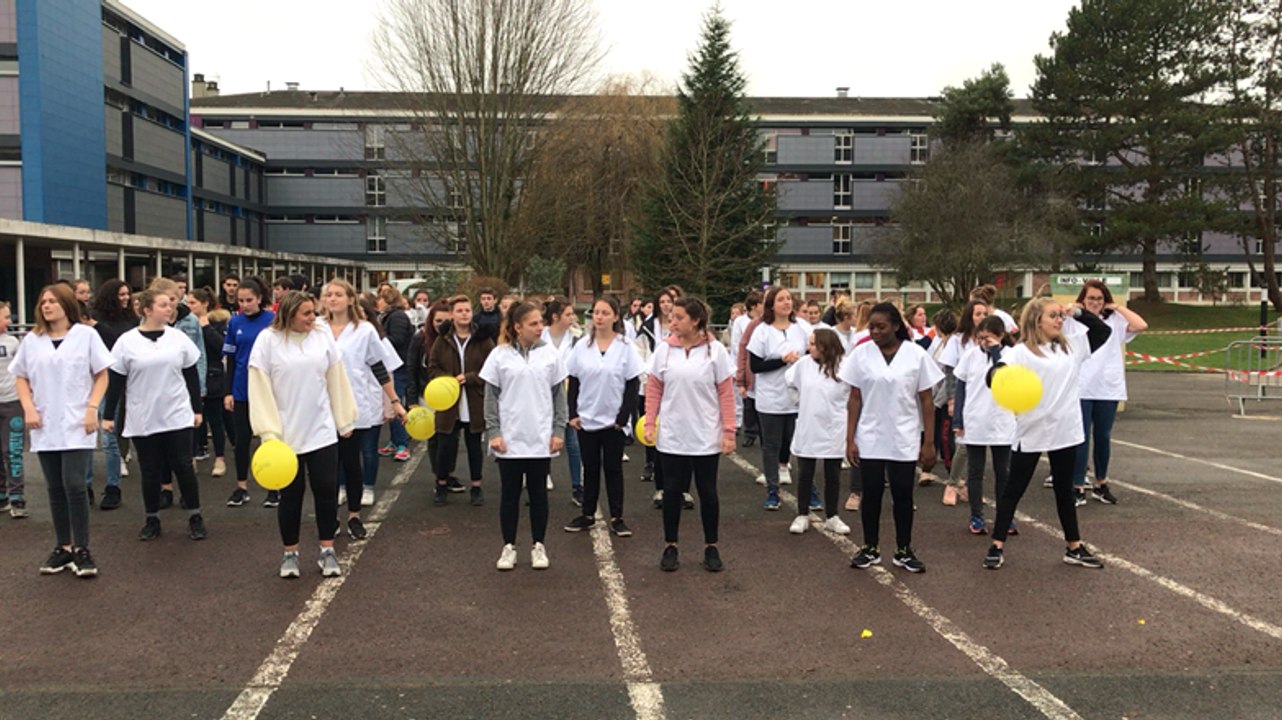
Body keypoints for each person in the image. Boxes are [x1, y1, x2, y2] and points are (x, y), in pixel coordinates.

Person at [983, 297, 1113, 571]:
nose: (1059, 320)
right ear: (1036, 320)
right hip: (1032, 429)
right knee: (1013, 489)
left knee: (1065, 490)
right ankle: (996, 545)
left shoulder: (1072, 347)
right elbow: (996, 373)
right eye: (1052, 315)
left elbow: (1103, 331)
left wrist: (1077, 312)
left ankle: (1074, 547)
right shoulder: (1020, 352)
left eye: (1060, 315)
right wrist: (998, 376)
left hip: (1065, 429)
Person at [249, 291, 359, 579]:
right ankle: (290, 553)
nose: (313, 318)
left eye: (314, 312)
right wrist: (268, 431)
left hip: (321, 430)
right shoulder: (267, 341)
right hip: (285, 436)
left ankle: (327, 550)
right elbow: (259, 386)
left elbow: (336, 377)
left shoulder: (322, 336)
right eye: (306, 313)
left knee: (326, 491)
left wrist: (344, 419)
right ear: (289, 314)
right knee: (291, 496)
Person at [11, 285, 113, 577]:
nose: (47, 305)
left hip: (78, 421)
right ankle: (63, 547)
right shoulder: (33, 340)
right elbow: (21, 377)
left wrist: (92, 407)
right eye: (43, 301)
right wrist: (28, 408)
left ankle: (82, 549)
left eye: (53, 301)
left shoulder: (86, 335)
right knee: (54, 487)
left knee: (74, 484)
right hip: (45, 422)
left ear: (67, 305)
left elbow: (102, 374)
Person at [843, 302, 943, 574]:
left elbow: (927, 400)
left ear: (896, 326)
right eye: (872, 327)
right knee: (871, 494)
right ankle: (870, 547)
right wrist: (850, 438)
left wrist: (929, 442)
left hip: (904, 434)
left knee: (902, 494)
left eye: (881, 327)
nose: (875, 332)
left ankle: (903, 550)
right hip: (870, 434)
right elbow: (854, 398)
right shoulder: (861, 354)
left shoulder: (915, 355)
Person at [101, 289, 207, 541]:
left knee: (183, 466)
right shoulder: (127, 342)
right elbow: (116, 381)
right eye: (163, 305)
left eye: (170, 304)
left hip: (176, 413)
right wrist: (108, 415)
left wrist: (197, 408)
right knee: (149, 470)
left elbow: (191, 374)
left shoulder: (178, 338)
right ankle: (152, 519)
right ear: (147, 310)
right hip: (143, 415)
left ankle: (195, 517)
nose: (169, 308)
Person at [645, 297, 734, 572]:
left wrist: (729, 431)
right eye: (671, 317)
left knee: (707, 491)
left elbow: (726, 393)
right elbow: (654, 388)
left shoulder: (715, 351)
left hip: (705, 434)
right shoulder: (664, 350)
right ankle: (670, 545)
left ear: (695, 321)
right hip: (673, 434)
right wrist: (650, 423)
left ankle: (711, 546)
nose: (672, 322)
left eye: (679, 317)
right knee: (672, 491)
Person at [481, 301, 568, 571]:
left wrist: (558, 430)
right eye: (533, 323)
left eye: (541, 322)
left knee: (539, 493)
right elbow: (490, 397)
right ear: (518, 327)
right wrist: (494, 432)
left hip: (540, 437)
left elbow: (559, 396)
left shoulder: (550, 355)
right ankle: (509, 546)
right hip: (510, 438)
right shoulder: (499, 355)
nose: (540, 327)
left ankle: (538, 545)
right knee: (509, 494)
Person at [319, 279, 406, 539]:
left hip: (354, 403)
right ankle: (331, 518)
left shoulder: (365, 330)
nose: (333, 299)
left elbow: (379, 366)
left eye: (338, 294)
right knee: (327, 466)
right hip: (322, 405)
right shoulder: (316, 328)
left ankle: (354, 516)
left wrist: (395, 401)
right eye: (329, 295)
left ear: (350, 299)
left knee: (351, 461)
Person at [564, 297, 643, 536]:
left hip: (613, 421)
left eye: (605, 313)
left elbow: (632, 383)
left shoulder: (626, 346)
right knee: (590, 468)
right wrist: (573, 413)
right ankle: (587, 514)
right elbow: (573, 380)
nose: (599, 317)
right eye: (596, 312)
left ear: (616, 316)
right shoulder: (582, 346)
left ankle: (617, 516)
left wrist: (623, 418)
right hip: (586, 418)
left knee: (613, 469)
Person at [1065, 280, 1147, 505]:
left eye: (1100, 299)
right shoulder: (1073, 321)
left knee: (1103, 437)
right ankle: (1078, 485)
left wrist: (1117, 307)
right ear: (1083, 299)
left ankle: (1100, 483)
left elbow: (1141, 325)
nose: (1095, 302)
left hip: (1107, 387)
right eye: (1091, 298)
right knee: (1081, 437)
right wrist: (1075, 308)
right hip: (1081, 387)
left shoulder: (1115, 321)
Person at [746, 287, 813, 512]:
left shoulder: (802, 328)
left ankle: (810, 491)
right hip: (771, 397)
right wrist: (782, 361)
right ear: (771, 305)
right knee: (771, 445)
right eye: (781, 299)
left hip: (798, 396)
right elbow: (756, 366)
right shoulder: (762, 331)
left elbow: (815, 353)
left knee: (799, 443)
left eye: (789, 299)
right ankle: (772, 490)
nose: (786, 303)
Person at [427, 295, 494, 507]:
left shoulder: (483, 339)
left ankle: (476, 487)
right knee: (445, 446)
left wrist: (470, 377)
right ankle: (441, 484)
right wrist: (448, 381)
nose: (464, 314)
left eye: (467, 310)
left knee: (474, 446)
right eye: (459, 310)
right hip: (449, 402)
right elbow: (433, 367)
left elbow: (492, 368)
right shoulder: (443, 339)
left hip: (474, 401)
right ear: (452, 315)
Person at [784, 327, 852, 535]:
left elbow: (854, 394)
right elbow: (790, 384)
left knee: (833, 473)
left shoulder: (845, 366)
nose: (809, 347)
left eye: (813, 344)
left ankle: (832, 516)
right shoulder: (803, 365)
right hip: (809, 425)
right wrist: (801, 403)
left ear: (825, 346)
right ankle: (802, 514)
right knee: (805, 472)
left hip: (834, 427)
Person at [952, 315, 1016, 536]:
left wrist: (996, 352)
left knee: (1003, 472)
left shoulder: (1011, 355)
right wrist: (958, 419)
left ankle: (1005, 517)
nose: (983, 342)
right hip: (975, 419)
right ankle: (976, 515)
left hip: (1002, 420)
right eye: (980, 338)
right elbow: (961, 388)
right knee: (975, 471)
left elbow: (1004, 378)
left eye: (988, 338)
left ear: (1000, 336)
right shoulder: (970, 356)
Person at [223, 278, 275, 508]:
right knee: (242, 439)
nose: (245, 305)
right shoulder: (235, 322)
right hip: (242, 387)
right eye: (241, 301)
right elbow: (231, 359)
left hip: (267, 387)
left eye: (249, 300)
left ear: (259, 299)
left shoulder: (273, 321)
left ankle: (273, 487)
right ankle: (241, 486)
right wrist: (228, 392)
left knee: (269, 437)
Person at [86, 279, 137, 510]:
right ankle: (85, 487)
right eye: (121, 294)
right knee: (87, 436)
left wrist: (97, 326)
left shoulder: (130, 319)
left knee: (109, 437)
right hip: (92, 378)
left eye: (127, 294)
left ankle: (113, 487)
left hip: (116, 379)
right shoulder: (94, 317)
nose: (126, 298)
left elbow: (120, 343)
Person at [933, 299, 989, 505]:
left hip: (985, 399)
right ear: (969, 316)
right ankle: (952, 482)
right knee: (962, 443)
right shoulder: (958, 341)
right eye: (977, 314)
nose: (982, 318)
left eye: (985, 314)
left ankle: (969, 487)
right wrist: (951, 399)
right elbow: (950, 373)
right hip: (962, 397)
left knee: (980, 446)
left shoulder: (991, 341)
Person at [542, 298, 582, 501]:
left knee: (573, 444)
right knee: (543, 439)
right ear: (555, 317)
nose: (572, 317)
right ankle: (541, 478)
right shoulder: (540, 336)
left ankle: (577, 486)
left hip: (568, 397)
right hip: (542, 395)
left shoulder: (577, 338)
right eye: (568, 314)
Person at [188, 288, 229, 480]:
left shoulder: (216, 322)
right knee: (192, 421)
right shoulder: (185, 324)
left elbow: (222, 347)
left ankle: (220, 459)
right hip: (192, 376)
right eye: (188, 302)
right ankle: (192, 457)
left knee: (215, 419)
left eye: (193, 303)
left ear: (204, 304)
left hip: (212, 376)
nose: (189, 306)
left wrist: (206, 327)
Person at [377, 285, 414, 463]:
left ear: (388, 300)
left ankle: (402, 444)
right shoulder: (389, 316)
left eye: (381, 299)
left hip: (398, 365)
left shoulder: (397, 316)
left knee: (395, 402)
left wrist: (378, 340)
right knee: (390, 404)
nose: (378, 302)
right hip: (393, 365)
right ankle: (394, 441)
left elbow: (398, 339)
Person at [0, 301, 26, 519]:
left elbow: (22, 371)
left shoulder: (13, 342)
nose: (9, 321)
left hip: (12, 402)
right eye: (6, 317)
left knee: (13, 450)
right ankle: (2, 496)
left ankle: (17, 497)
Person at [729, 291, 761, 445]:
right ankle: (749, 431)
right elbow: (737, 345)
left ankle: (762, 430)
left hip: (759, 363)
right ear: (754, 306)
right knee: (747, 400)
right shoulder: (740, 322)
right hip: (746, 362)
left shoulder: (766, 321)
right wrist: (738, 368)